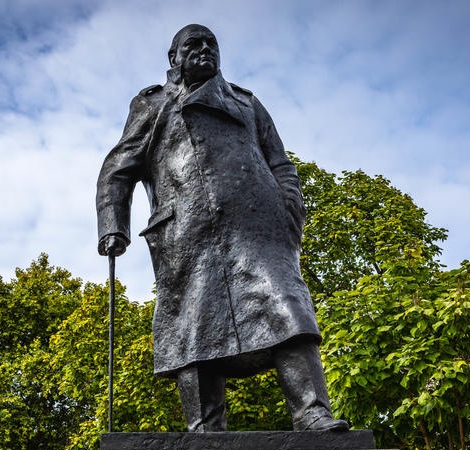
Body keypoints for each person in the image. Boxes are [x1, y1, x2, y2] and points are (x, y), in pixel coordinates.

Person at [96, 24, 348, 433]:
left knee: (289, 309)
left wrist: (290, 212)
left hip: (259, 230)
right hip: (187, 234)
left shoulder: (247, 103)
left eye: (211, 43)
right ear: (174, 57)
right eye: (193, 44)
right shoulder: (153, 105)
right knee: (194, 327)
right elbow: (117, 170)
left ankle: (312, 413)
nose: (204, 49)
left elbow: (280, 163)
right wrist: (113, 226)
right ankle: (205, 428)